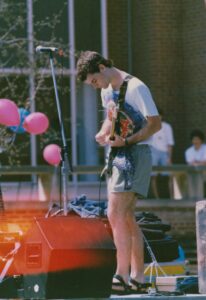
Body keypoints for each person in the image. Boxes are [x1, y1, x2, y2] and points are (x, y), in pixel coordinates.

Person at [76, 51, 161, 294]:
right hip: (118, 155)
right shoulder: (106, 91)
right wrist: (103, 133)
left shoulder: (136, 87)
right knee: (126, 216)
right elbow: (111, 118)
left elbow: (155, 124)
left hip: (136, 153)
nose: (94, 87)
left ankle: (121, 274)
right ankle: (138, 277)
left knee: (116, 212)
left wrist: (128, 141)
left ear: (102, 67)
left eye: (93, 81)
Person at [150, 109, 175, 199]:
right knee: (153, 176)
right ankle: (157, 198)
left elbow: (170, 143)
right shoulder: (150, 126)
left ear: (162, 116)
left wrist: (169, 157)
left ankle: (172, 197)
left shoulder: (167, 127)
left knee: (169, 175)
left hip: (164, 152)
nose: (158, 117)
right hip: (153, 152)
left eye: (159, 115)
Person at [185, 129, 206, 199]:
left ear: (201, 140)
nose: (196, 141)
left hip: (204, 172)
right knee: (191, 175)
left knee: (199, 175)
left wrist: (197, 162)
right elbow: (190, 164)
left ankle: (200, 198)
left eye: (197, 139)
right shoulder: (188, 151)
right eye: (194, 139)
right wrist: (199, 162)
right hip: (193, 173)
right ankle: (192, 198)